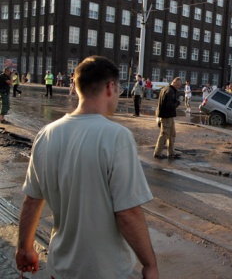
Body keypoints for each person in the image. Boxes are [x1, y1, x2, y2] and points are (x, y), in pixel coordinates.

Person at [15, 56, 159, 278]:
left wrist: (24, 248)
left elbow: (32, 200)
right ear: (110, 87)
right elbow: (128, 212)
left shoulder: (46, 134)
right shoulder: (116, 136)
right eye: (119, 90)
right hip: (105, 270)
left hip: (60, 267)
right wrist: (150, 264)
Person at [153, 77, 182, 159]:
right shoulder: (170, 91)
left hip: (167, 115)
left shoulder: (166, 89)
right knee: (164, 134)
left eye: (179, 86)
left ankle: (171, 152)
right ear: (174, 82)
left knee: (172, 134)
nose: (178, 87)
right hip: (166, 116)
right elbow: (170, 105)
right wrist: (178, 103)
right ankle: (157, 153)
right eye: (178, 85)